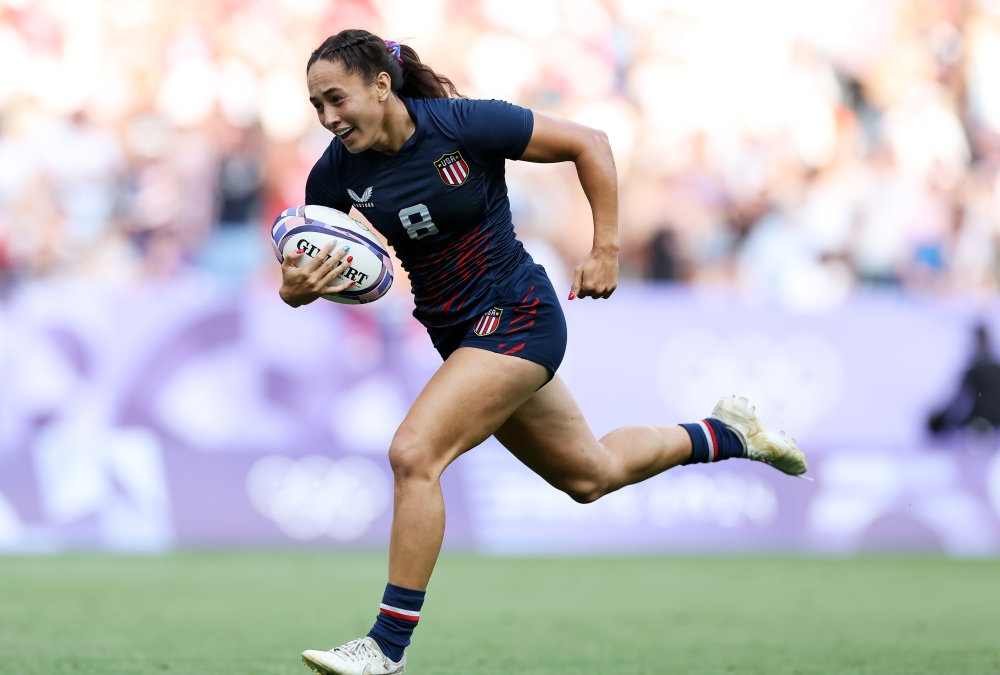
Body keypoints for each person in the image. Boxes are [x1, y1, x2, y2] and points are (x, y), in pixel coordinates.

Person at [279, 29, 807, 675]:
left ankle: (386, 646)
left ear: (381, 84)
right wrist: (298, 290)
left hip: (520, 314)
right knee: (591, 475)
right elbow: (317, 266)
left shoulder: (463, 123)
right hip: (462, 337)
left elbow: (591, 143)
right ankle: (728, 432)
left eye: (337, 98)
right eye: (316, 107)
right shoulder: (335, 172)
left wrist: (605, 246)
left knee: (414, 452)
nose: (329, 118)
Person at [928, 321, 1000, 437]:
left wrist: (939, 420)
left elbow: (958, 403)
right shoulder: (997, 369)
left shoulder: (972, 373)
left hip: (977, 424)